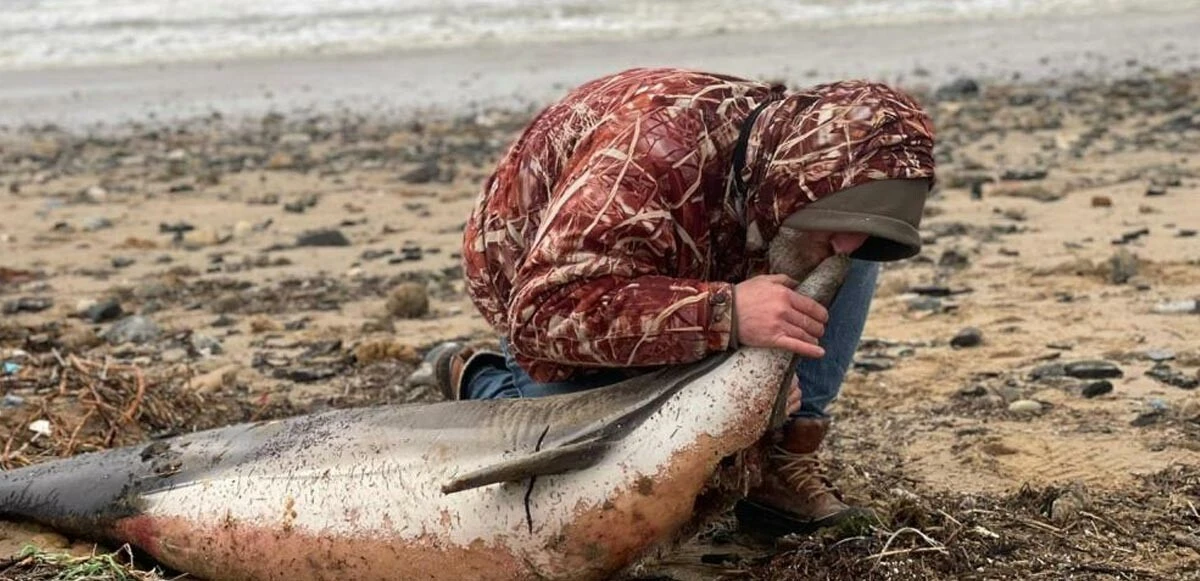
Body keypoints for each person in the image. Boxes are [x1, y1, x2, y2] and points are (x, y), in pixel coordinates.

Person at [421, 67, 935, 536]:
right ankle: (481, 378)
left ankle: (780, 456)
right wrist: (726, 313)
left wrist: (766, 375)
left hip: (708, 259)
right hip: (542, 282)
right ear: (790, 178)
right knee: (588, 487)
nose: (849, 248)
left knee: (847, 239)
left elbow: (837, 232)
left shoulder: (786, 174)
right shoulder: (648, 158)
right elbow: (543, 311)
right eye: (837, 219)